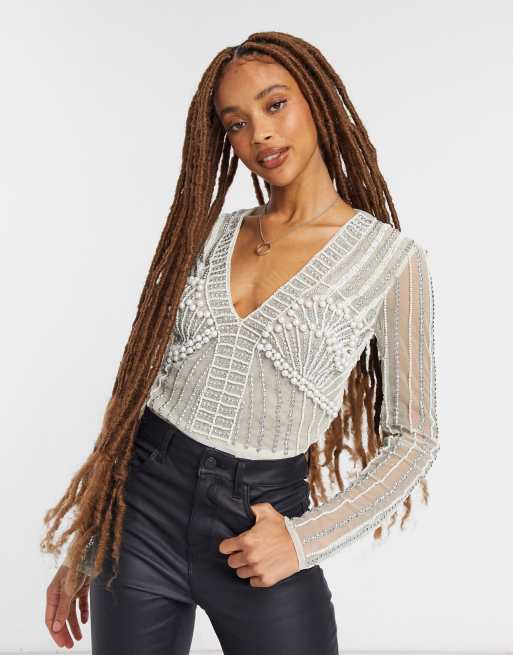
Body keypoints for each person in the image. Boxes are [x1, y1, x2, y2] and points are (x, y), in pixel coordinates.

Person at [41, 30, 440, 654]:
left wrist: (303, 541)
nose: (261, 135)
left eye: (275, 104)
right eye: (237, 123)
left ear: (317, 100)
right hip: (142, 512)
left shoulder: (390, 261)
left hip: (261, 525)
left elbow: (414, 438)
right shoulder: (208, 236)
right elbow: (140, 388)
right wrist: (90, 535)